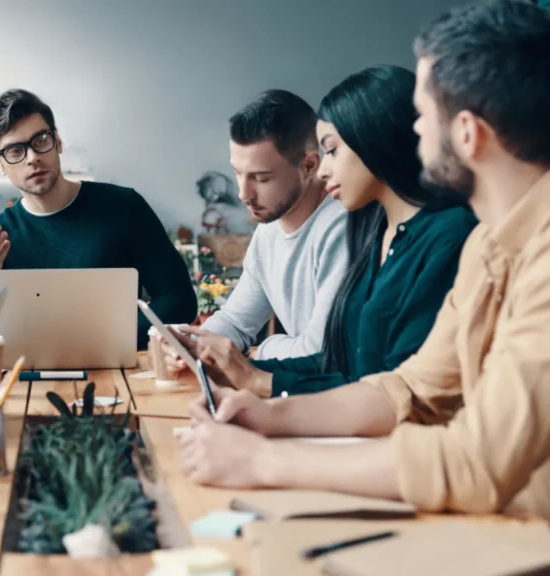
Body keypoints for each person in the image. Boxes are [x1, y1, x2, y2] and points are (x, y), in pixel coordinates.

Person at [178, 0, 550, 520]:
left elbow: (476, 462)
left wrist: (266, 460)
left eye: (423, 117)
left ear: (468, 133)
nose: (413, 132)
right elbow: (409, 388)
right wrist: (272, 417)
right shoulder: (491, 244)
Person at [171, 66, 477, 398]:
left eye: (331, 151)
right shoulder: (379, 232)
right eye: (238, 174)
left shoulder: (418, 232)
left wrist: (257, 367)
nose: (244, 194)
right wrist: (213, 353)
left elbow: (388, 387)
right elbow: (346, 365)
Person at [0, 89, 196, 349]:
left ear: (58, 142)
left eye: (40, 140)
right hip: (25, 380)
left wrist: (109, 340)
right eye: (15, 151)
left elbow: (179, 300)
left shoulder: (123, 207)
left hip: (119, 374)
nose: (32, 158)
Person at [174, 90, 350, 361]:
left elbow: (321, 351)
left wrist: (262, 350)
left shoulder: (340, 228)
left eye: (262, 178)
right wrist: (193, 344)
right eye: (238, 173)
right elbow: (235, 321)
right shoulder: (268, 231)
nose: (244, 194)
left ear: (309, 165)